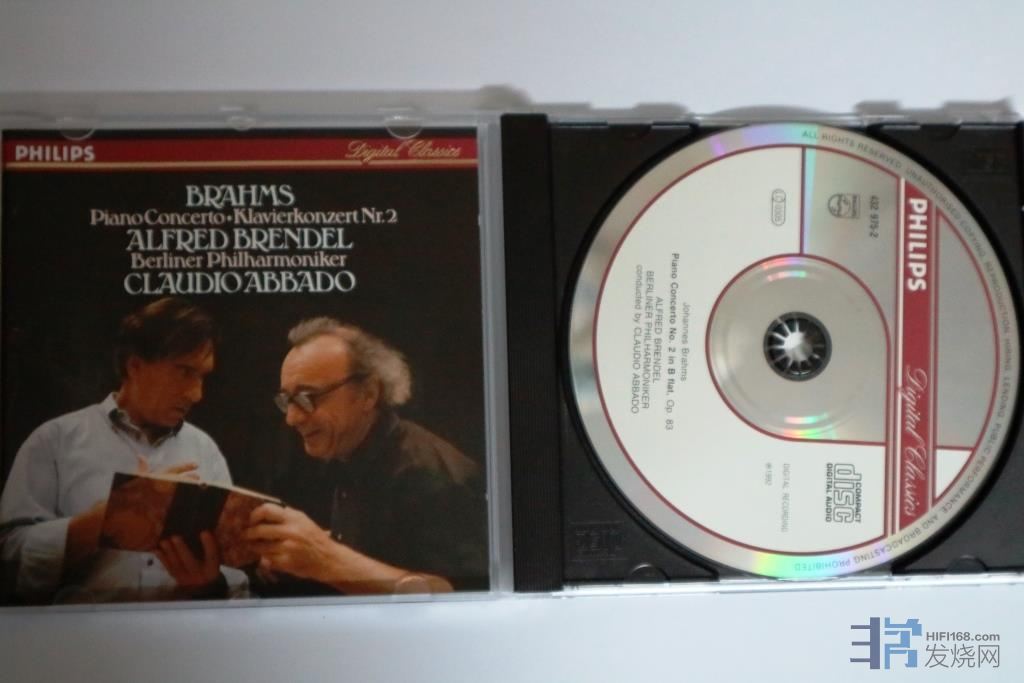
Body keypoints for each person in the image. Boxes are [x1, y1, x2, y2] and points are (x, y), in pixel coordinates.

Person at [0, 297, 240, 604]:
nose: (197, 394)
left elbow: (234, 577)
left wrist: (209, 584)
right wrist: (103, 521)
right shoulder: (54, 440)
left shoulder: (204, 449)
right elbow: (8, 560)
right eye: (184, 372)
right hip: (80, 633)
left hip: (181, 629)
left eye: (202, 376)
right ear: (135, 365)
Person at [246, 318, 487, 595]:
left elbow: (460, 597)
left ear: (369, 394)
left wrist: (323, 558)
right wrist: (298, 554)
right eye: (287, 400)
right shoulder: (350, 454)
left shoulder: (429, 475)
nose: (291, 418)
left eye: (307, 397)